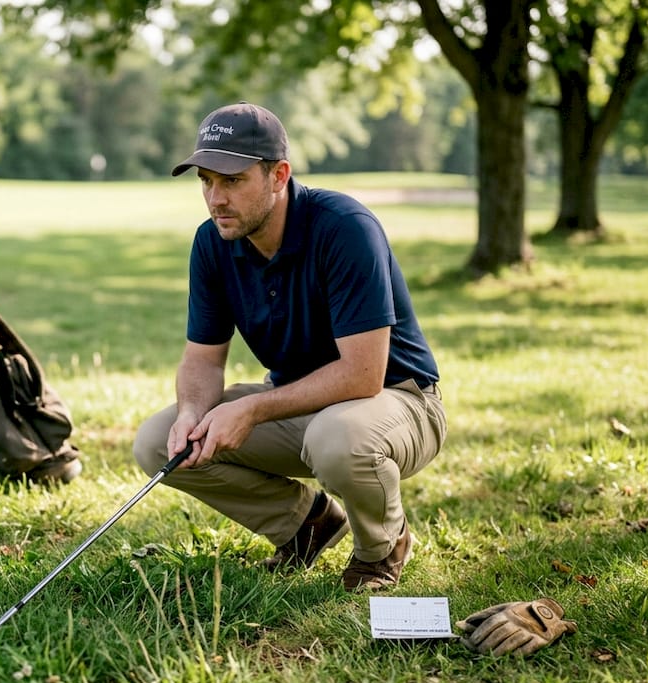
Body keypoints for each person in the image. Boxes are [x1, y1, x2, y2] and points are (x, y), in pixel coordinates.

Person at [133, 102, 447, 591]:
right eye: (206, 181)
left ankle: (382, 548)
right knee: (158, 441)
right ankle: (306, 525)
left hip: (398, 400)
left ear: (279, 175)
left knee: (336, 439)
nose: (215, 198)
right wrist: (192, 412)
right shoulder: (213, 242)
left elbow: (363, 375)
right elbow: (201, 357)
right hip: (300, 405)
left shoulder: (344, 228)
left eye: (232, 181)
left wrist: (253, 410)